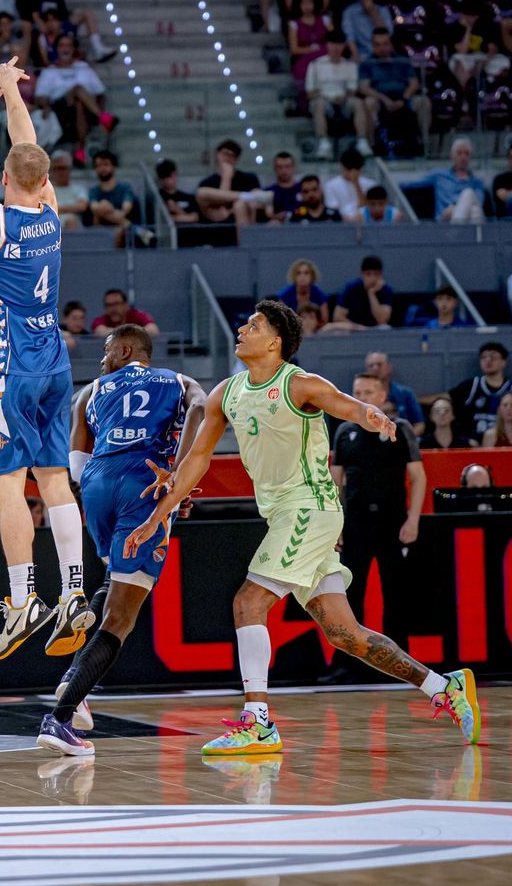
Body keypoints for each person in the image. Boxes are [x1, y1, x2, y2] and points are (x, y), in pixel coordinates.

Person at [129, 301, 480, 755]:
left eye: (253, 325)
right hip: (285, 515)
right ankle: (442, 685)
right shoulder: (227, 393)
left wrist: (368, 416)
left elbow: (343, 403)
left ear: (275, 342)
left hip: (309, 508)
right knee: (345, 634)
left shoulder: (298, 383)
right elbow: (198, 458)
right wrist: (163, 511)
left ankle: (257, 723)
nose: (242, 328)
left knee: (248, 603)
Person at [0, 58, 96, 659]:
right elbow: (29, 147)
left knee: (7, 482)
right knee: (54, 477)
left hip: (9, 361)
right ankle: (75, 593)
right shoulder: (51, 211)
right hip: (55, 356)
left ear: (3, 177)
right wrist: (10, 92)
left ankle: (24, 598)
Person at [37, 325, 205, 757]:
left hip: (96, 483)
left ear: (127, 349)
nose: (102, 360)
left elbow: (76, 455)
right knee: (121, 619)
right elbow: (203, 410)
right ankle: (59, 718)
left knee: (113, 579)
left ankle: (73, 676)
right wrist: (177, 481)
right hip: (143, 478)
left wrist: (94, 484)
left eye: (107, 351)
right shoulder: (179, 381)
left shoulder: (89, 390)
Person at [330, 373, 425, 660]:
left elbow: (418, 478)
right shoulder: (345, 431)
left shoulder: (402, 428)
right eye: (358, 391)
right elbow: (334, 482)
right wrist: (336, 525)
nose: (363, 397)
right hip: (355, 521)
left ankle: (400, 662)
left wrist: (413, 520)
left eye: (369, 392)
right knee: (351, 593)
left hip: (392, 520)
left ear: (382, 396)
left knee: (396, 592)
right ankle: (348, 663)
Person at [33, 36, 113, 164]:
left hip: (85, 110)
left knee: (79, 103)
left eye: (68, 45)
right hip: (60, 110)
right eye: (62, 45)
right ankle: (104, 118)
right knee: (77, 89)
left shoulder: (83, 67)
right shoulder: (49, 71)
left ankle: (80, 151)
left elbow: (100, 93)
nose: (65, 49)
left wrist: (100, 104)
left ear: (73, 49)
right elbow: (40, 97)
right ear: (57, 49)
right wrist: (46, 105)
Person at [357, 28, 432, 148]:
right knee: (368, 102)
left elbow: (414, 83)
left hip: (403, 98)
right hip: (380, 99)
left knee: (424, 102)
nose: (381, 48)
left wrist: (403, 98)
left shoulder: (402, 61)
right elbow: (364, 88)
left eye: (385, 44)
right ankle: (371, 145)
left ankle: (423, 143)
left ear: (390, 44)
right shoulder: (367, 64)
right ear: (373, 46)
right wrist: (383, 99)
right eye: (377, 44)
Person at [307, 32, 372, 158]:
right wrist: (328, 97)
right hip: (324, 100)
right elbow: (310, 92)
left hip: (344, 101)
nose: (336, 48)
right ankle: (323, 143)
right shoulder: (315, 65)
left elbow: (352, 90)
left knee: (358, 102)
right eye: (332, 44)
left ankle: (362, 141)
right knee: (318, 104)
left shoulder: (350, 65)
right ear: (327, 45)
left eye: (339, 44)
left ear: (343, 46)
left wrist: (343, 97)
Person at [436, 341, 512, 442]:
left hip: (502, 445)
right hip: (472, 445)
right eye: (484, 357)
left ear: (503, 362)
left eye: (493, 357)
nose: (488, 360)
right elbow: (444, 398)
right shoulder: (471, 385)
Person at [401, 138, 489, 224]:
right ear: (452, 155)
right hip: (445, 221)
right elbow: (412, 183)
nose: (463, 157)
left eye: (466, 153)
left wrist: (455, 208)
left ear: (470, 157)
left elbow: (479, 202)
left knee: (471, 200)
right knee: (473, 208)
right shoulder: (439, 175)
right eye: (459, 153)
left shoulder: (477, 182)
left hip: (466, 221)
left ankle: (455, 233)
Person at [86, 149, 139, 243]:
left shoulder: (125, 187)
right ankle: (131, 227)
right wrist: (106, 207)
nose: (102, 168)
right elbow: (94, 208)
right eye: (98, 165)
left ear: (113, 166)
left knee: (119, 230)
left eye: (106, 164)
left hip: (122, 231)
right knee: (100, 209)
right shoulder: (94, 190)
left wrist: (109, 210)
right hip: (101, 228)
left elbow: (126, 208)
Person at [363, 351, 423, 433]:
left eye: (379, 364)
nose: (375, 368)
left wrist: (406, 440)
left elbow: (420, 424)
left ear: (388, 368)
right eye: (371, 365)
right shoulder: (361, 396)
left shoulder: (405, 393)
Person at [333, 255, 395, 329]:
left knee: (385, 328)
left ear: (381, 275)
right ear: (362, 274)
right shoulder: (351, 288)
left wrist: (371, 293)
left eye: (376, 274)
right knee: (331, 327)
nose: (373, 278)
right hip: (353, 328)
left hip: (376, 329)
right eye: (368, 274)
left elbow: (382, 320)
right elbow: (338, 317)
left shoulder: (386, 290)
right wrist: (358, 327)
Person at [322, 149, 374, 219]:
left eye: (356, 169)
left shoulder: (371, 184)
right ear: (342, 166)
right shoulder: (330, 186)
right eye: (349, 169)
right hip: (341, 224)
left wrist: (356, 184)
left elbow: (367, 209)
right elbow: (333, 210)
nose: (352, 172)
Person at [48, 150, 90, 229]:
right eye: (57, 168)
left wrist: (56, 208)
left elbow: (82, 206)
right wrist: (71, 207)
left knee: (71, 220)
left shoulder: (79, 189)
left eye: (63, 168)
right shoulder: (45, 190)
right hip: (50, 226)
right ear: (52, 170)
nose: (60, 172)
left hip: (74, 227)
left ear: (70, 169)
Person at [91, 289, 159, 337]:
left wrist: (124, 332)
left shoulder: (137, 315)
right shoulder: (100, 320)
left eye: (116, 304)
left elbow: (153, 330)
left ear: (126, 305)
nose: (113, 308)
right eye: (109, 305)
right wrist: (131, 332)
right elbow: (100, 332)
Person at [156, 159, 200, 225]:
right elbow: (161, 221)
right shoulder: (157, 198)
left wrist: (177, 209)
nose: (167, 180)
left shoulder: (188, 197)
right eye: (163, 177)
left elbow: (194, 218)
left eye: (169, 176)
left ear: (175, 174)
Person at [264, 151, 302, 218]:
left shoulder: (303, 189)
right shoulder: (268, 192)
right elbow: (268, 214)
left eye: (287, 167)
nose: (284, 171)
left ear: (294, 167)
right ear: (274, 168)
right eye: (280, 167)